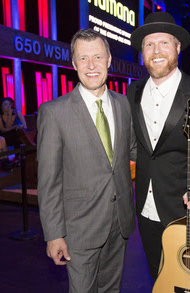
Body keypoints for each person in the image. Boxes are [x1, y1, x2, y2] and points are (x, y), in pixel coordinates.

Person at [127, 12, 190, 281]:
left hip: (184, 210)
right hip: (145, 209)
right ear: (142, 52)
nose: (156, 51)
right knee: (157, 277)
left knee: (189, 280)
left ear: (178, 47)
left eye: (164, 43)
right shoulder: (132, 92)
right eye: (149, 44)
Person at [37, 29, 136, 293]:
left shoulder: (124, 105)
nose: (91, 66)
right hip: (78, 230)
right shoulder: (54, 112)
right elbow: (48, 181)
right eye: (83, 58)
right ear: (73, 63)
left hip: (119, 223)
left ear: (109, 60)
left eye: (97, 57)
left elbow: (135, 151)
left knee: (111, 290)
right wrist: (54, 234)